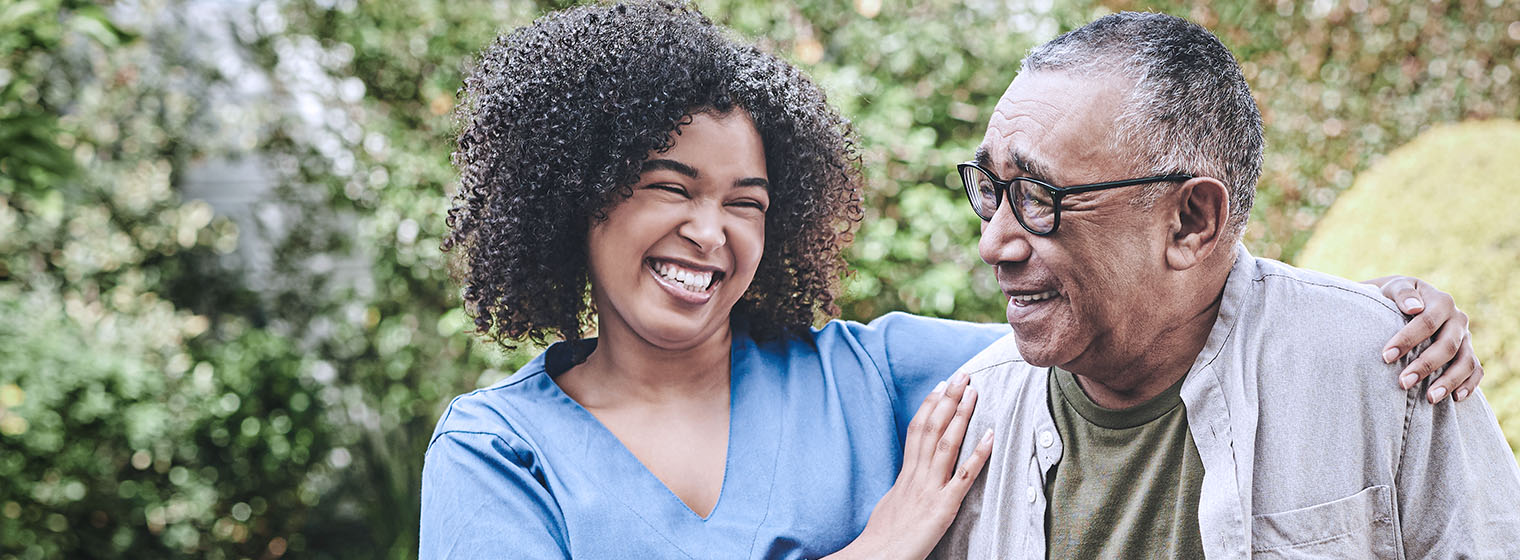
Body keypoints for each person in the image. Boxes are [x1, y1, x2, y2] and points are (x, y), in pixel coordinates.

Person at [420, 3, 1482, 559]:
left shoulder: (880, 372)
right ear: (579, 196)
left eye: (746, 199)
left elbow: (1147, 313)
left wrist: (1381, 313)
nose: (710, 230)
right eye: (667, 187)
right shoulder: (499, 449)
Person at [931, 12, 1520, 559]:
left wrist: (1368, 324)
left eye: (1039, 195)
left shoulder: (1388, 371)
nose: (993, 244)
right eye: (989, 186)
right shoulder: (970, 420)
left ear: (1191, 222)